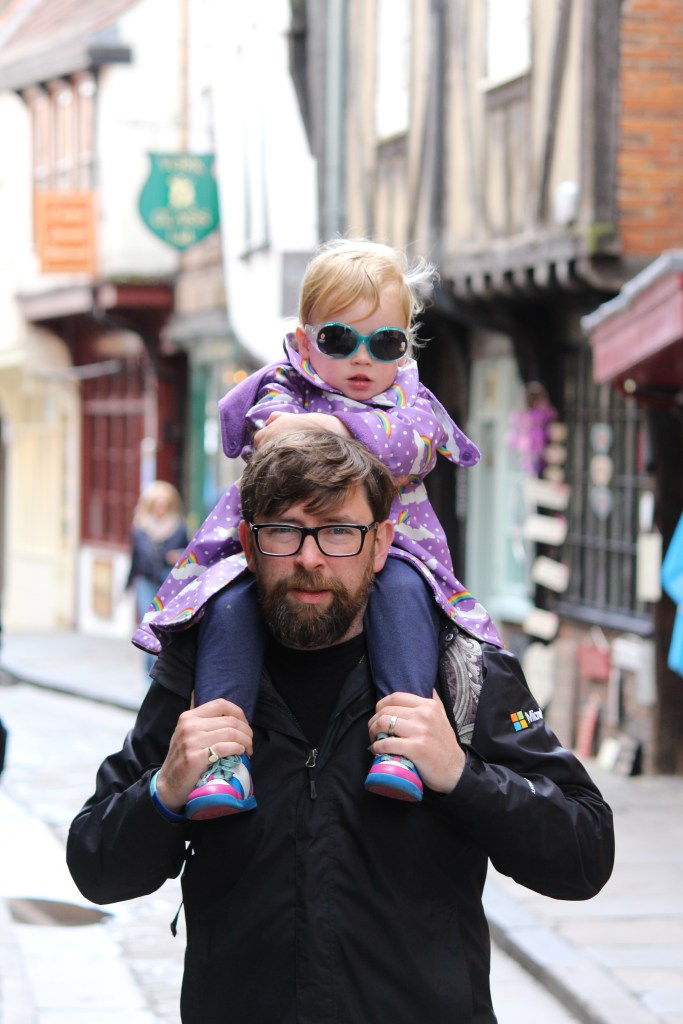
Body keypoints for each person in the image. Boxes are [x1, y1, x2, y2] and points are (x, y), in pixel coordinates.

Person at [67, 432, 615, 1024]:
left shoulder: (459, 669)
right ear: (249, 545)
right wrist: (164, 792)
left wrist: (462, 776)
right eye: (285, 531)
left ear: (380, 542)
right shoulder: (199, 673)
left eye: (339, 531)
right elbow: (95, 865)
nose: (310, 558)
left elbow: (584, 852)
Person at [132, 238, 502, 817]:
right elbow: (272, 436)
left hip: (402, 548)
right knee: (230, 604)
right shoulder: (279, 383)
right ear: (306, 341)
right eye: (338, 339)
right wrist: (334, 428)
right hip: (257, 553)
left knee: (403, 593)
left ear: (405, 349)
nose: (362, 359)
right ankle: (223, 760)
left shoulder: (414, 399)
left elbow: (411, 447)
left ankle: (401, 744)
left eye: (384, 342)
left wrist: (319, 423)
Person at [125, 481, 188, 674]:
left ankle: (158, 673)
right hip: (146, 581)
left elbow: (188, 557)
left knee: (163, 629)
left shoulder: (178, 528)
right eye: (157, 505)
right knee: (148, 626)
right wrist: (126, 587)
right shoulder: (140, 529)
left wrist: (177, 556)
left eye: (165, 505)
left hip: (168, 581)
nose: (161, 509)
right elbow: (135, 559)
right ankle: (149, 674)